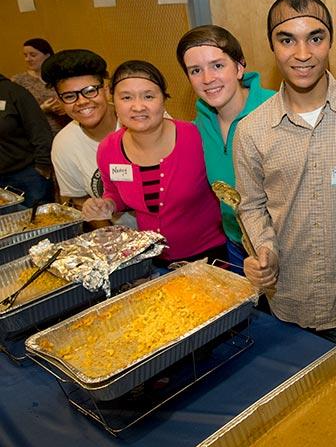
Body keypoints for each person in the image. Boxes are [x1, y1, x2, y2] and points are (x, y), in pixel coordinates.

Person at [234, 0, 336, 343]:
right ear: (272, 47)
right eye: (287, 40)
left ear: (330, 42)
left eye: (315, 38)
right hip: (286, 304)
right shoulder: (251, 130)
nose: (302, 54)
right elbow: (252, 205)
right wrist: (264, 250)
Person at [82, 60, 226, 268]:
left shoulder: (196, 137)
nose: (138, 106)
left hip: (211, 258)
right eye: (126, 97)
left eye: (148, 96)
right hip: (153, 261)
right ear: (112, 100)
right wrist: (107, 205)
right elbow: (114, 193)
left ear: (163, 100)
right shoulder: (109, 149)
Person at [176, 25, 276, 270]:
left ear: (240, 67)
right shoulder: (198, 125)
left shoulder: (276, 109)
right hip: (235, 243)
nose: (207, 79)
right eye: (196, 70)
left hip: (281, 244)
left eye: (217, 66)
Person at [41, 49, 135, 230]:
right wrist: (113, 238)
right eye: (69, 96)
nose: (82, 101)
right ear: (60, 102)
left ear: (106, 90)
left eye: (90, 91)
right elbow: (78, 199)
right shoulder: (64, 145)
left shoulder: (139, 117)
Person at [0, 73, 54, 207]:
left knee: (39, 224)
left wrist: (42, 166)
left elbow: (40, 130)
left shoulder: (13, 92)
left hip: (26, 175)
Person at [12, 38, 67, 135]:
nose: (28, 59)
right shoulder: (18, 81)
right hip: (38, 135)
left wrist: (64, 107)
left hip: (65, 130)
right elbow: (15, 113)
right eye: (25, 55)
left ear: (47, 55)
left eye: (33, 55)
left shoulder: (61, 77)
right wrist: (42, 109)